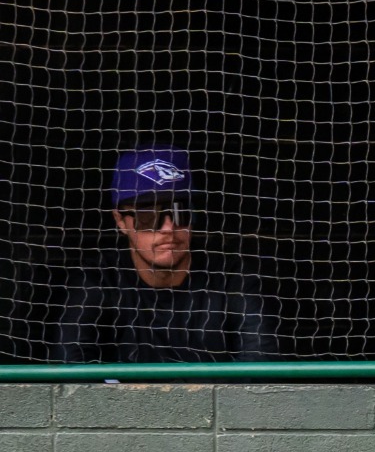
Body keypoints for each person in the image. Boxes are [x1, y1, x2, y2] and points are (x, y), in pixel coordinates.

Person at [55, 148, 276, 364]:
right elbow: (70, 364)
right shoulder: (100, 279)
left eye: (181, 211)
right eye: (148, 215)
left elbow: (261, 364)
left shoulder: (230, 277)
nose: (168, 228)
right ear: (120, 220)